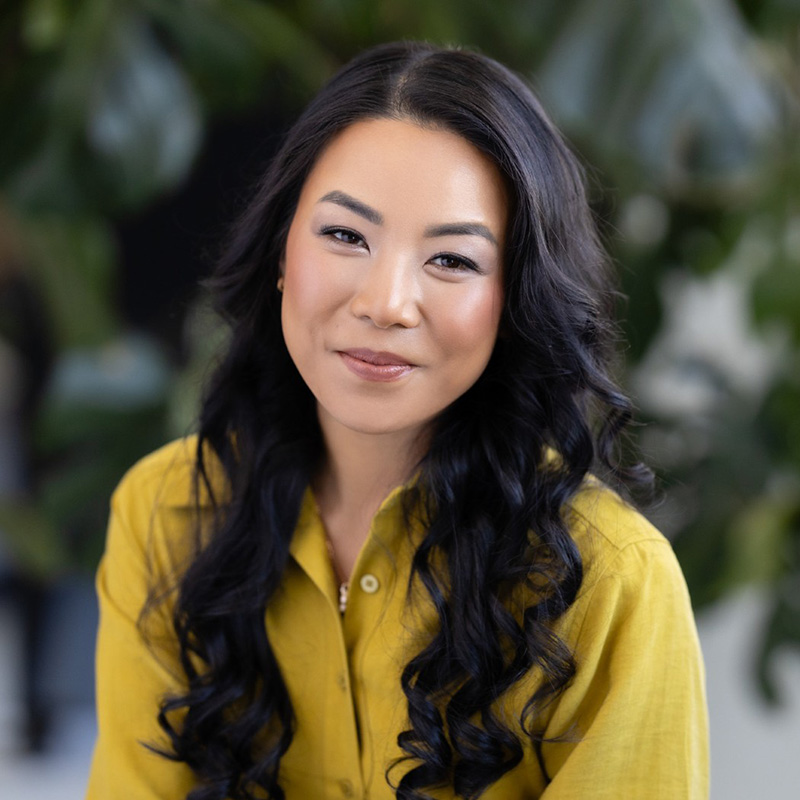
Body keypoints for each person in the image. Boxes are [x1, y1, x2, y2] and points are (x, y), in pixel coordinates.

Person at [86, 41, 709, 800]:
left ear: (513, 300)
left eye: (452, 260)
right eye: (345, 236)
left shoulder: (610, 585)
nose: (384, 303)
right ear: (283, 250)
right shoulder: (165, 517)